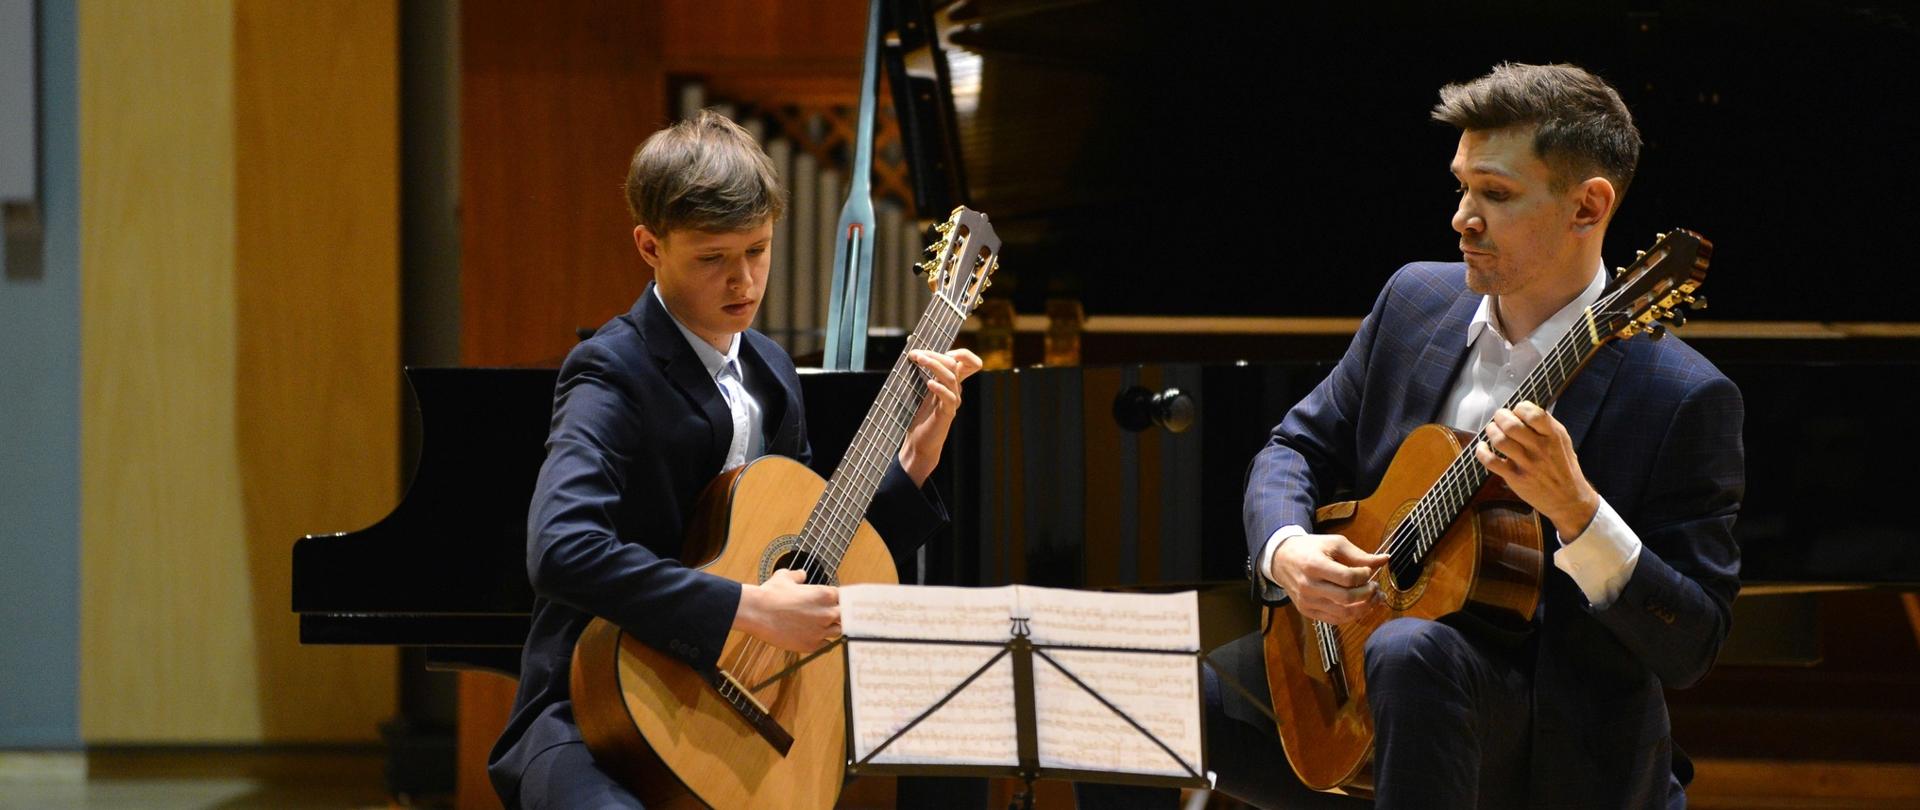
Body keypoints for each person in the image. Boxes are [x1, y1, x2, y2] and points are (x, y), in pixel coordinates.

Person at [1085, 62, 1745, 809]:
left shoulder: (1681, 395)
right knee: (1126, 692)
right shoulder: (1414, 302)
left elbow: (1691, 647)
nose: (1463, 216)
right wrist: (1288, 550)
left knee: (1410, 650)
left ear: (1588, 207)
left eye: (1494, 194)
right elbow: (1293, 448)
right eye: (1462, 185)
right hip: (1355, 670)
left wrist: (1580, 514)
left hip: (1547, 744)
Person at [486, 110, 982, 809]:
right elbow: (560, 550)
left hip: (734, 705)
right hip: (590, 707)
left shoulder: (773, 374)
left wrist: (914, 462)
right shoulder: (610, 372)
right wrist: (748, 608)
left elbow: (814, 567)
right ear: (649, 246)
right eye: (712, 258)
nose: (743, 282)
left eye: (758, 250)